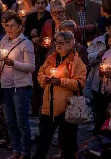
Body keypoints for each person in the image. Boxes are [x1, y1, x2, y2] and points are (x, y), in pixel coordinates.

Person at [34, 31, 86, 159]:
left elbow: (80, 84)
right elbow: (40, 73)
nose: (58, 45)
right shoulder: (51, 57)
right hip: (48, 106)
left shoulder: (76, 61)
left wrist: (61, 81)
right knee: (43, 139)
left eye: (61, 43)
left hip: (66, 107)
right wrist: (44, 79)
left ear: (70, 44)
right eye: (57, 42)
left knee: (68, 142)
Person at [0, 13, 35, 159]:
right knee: (10, 122)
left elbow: (31, 67)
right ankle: (15, 151)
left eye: (12, 25)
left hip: (20, 88)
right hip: (5, 86)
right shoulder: (3, 42)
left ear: (20, 27)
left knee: (22, 122)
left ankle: (25, 152)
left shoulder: (26, 43)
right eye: (7, 25)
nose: (9, 28)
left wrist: (14, 64)